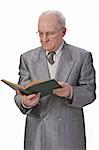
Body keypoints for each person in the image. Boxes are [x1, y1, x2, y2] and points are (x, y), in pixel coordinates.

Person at [14, 10, 96, 150]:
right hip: (37, 135)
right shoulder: (27, 58)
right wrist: (24, 102)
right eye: (40, 33)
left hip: (68, 135)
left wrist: (70, 92)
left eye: (50, 33)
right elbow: (19, 94)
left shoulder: (82, 57)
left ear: (63, 32)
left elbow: (90, 93)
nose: (44, 39)